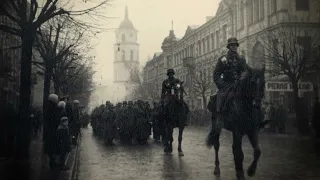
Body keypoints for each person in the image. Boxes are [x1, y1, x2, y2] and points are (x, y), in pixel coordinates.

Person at [213, 37, 249, 132]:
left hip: (239, 83)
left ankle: (253, 117)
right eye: (232, 45)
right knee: (221, 96)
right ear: (228, 47)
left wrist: (243, 77)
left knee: (250, 95)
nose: (234, 47)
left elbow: (245, 71)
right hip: (226, 84)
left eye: (235, 45)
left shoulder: (241, 59)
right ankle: (219, 117)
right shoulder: (223, 59)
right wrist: (221, 84)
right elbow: (216, 74)